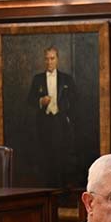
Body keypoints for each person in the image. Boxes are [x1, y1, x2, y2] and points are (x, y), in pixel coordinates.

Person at [27, 45, 77, 187]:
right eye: (47, 59)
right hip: (44, 123)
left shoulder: (67, 79)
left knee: (62, 156)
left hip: (61, 122)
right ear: (44, 60)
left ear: (57, 59)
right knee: (45, 156)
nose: (49, 62)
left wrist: (67, 113)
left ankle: (62, 190)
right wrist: (40, 101)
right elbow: (30, 100)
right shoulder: (37, 79)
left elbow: (75, 100)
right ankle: (48, 190)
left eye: (52, 58)